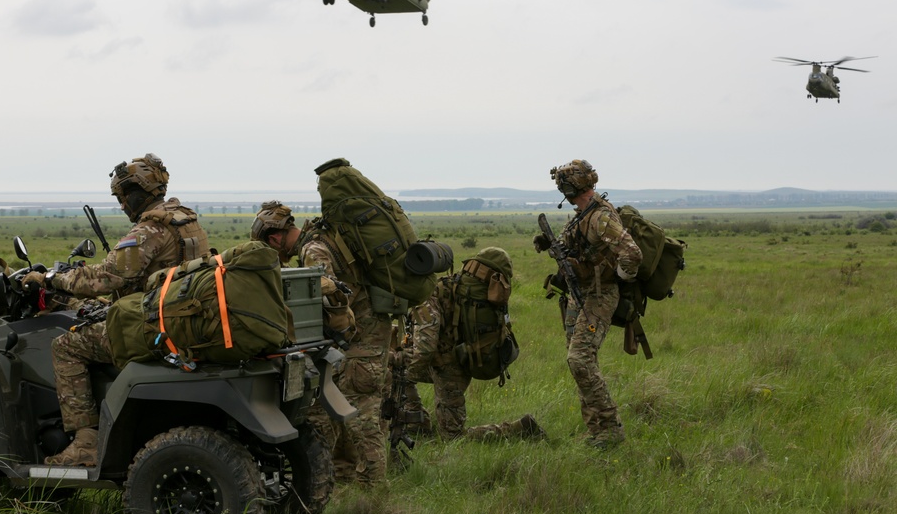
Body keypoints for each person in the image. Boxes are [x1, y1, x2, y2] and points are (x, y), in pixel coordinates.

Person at [22, 153, 209, 466]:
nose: (122, 205)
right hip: (176, 315)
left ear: (138, 194)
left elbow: (104, 278)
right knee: (89, 312)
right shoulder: (185, 221)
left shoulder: (150, 230)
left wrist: (50, 279)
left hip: (152, 327)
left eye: (123, 198)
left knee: (66, 345)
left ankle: (85, 443)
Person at [251, 201, 389, 485]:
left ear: (275, 238)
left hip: (361, 340)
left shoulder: (312, 250)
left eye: (271, 249)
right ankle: (349, 476)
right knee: (350, 406)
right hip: (366, 336)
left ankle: (375, 492)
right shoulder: (321, 240)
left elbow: (333, 298)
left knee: (361, 412)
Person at [535, 159, 642, 450]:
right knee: (581, 361)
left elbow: (631, 254)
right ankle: (596, 431)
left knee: (579, 359)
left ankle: (609, 428)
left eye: (563, 184)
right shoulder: (584, 213)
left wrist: (617, 279)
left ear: (571, 187)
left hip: (598, 296)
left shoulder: (600, 217)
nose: (561, 188)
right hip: (578, 294)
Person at [396, 247, 545, 442]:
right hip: (466, 359)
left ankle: (519, 429)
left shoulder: (432, 293)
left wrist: (407, 373)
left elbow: (425, 348)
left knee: (453, 437)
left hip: (446, 368)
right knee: (398, 367)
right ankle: (418, 424)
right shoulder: (463, 290)